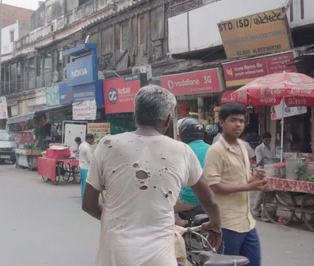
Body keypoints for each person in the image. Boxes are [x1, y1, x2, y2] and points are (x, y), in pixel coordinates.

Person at [82, 85, 222, 266]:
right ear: (168, 121)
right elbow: (209, 200)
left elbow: (88, 204)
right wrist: (215, 226)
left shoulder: (108, 145)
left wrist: (115, 224)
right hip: (159, 257)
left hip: (115, 254)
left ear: (135, 117)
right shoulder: (182, 151)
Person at [203, 103, 268, 266]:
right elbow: (213, 186)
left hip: (247, 222)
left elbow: (244, 179)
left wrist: (255, 178)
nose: (238, 124)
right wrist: (249, 187)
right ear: (222, 122)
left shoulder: (243, 147)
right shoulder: (215, 151)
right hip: (227, 224)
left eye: (241, 120)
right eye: (233, 120)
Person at [174, 117, 210, 226]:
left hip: (190, 199)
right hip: (212, 197)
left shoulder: (181, 150)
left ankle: (181, 224)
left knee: (159, 207)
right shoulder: (212, 148)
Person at [252, 132, 274, 217]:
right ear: (263, 140)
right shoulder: (259, 148)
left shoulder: (271, 147)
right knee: (261, 191)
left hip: (270, 170)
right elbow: (259, 161)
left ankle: (265, 208)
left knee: (268, 191)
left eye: (269, 140)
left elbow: (273, 158)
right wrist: (266, 159)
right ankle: (255, 210)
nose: (268, 141)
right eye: (266, 140)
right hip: (261, 170)